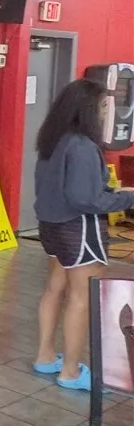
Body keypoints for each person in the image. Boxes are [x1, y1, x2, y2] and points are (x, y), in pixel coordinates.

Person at [32, 78, 134, 391]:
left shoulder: (53, 139)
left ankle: (45, 356)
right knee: (80, 298)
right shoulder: (83, 146)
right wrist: (128, 197)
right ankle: (71, 372)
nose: (106, 114)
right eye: (104, 107)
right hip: (79, 228)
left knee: (54, 289)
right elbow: (86, 200)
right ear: (89, 109)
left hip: (50, 225)